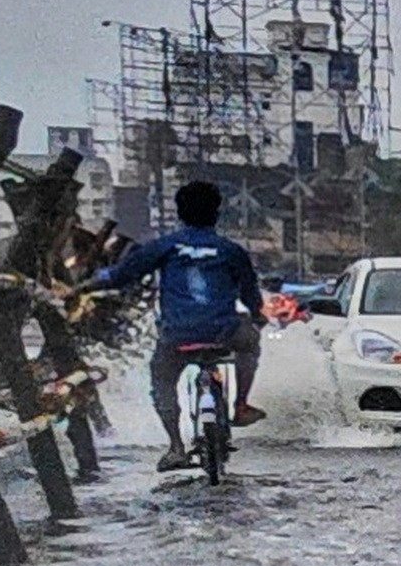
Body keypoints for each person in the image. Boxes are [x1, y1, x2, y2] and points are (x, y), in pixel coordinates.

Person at [90, 180, 270, 443]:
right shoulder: (231, 251)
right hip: (225, 332)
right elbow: (250, 293)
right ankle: (240, 405)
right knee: (250, 343)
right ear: (216, 213)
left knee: (162, 380)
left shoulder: (165, 246)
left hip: (176, 336)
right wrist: (256, 316)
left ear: (180, 213)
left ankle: (175, 445)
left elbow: (121, 275)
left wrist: (91, 281)